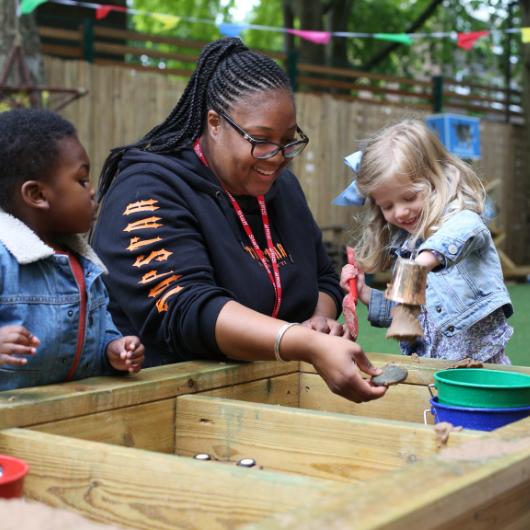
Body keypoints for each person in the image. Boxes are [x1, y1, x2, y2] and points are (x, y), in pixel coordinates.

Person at [91, 37, 386, 403]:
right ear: (214, 122)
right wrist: (302, 343)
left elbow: (323, 276)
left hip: (271, 398)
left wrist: (318, 321)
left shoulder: (283, 188)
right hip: (164, 404)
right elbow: (187, 310)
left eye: (289, 141)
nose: (276, 158)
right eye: (260, 140)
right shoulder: (146, 188)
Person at [335, 119, 513, 364]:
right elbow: (414, 316)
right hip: (432, 367)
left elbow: (458, 234)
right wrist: (366, 294)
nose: (400, 212)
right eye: (387, 206)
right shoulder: (407, 247)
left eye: (409, 197)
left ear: (435, 178)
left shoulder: (463, 219)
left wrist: (422, 263)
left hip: (477, 368)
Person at [0, 108, 145, 390]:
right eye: (81, 181)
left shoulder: (85, 265)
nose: (92, 192)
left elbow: (96, 333)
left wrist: (113, 349)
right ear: (37, 195)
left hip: (65, 417)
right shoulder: (5, 258)